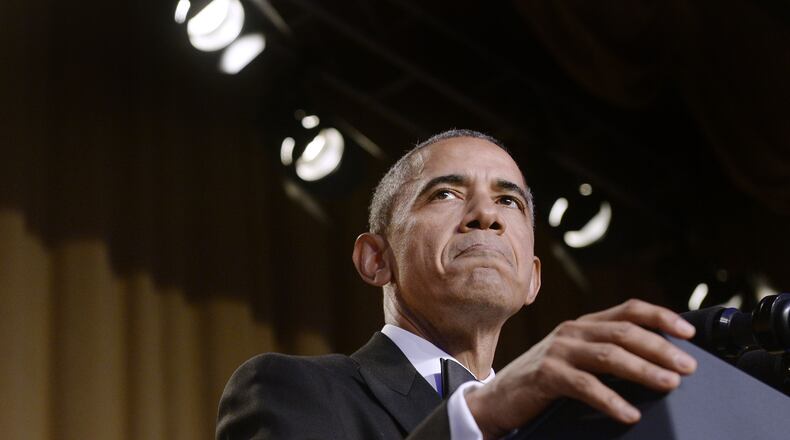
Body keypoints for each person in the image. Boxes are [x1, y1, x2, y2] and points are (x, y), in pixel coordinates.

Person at [216, 129, 698, 439]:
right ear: (376, 259)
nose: (486, 215)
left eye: (509, 202)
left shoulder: (580, 424)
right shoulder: (292, 390)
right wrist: (478, 416)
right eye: (445, 193)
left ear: (532, 279)